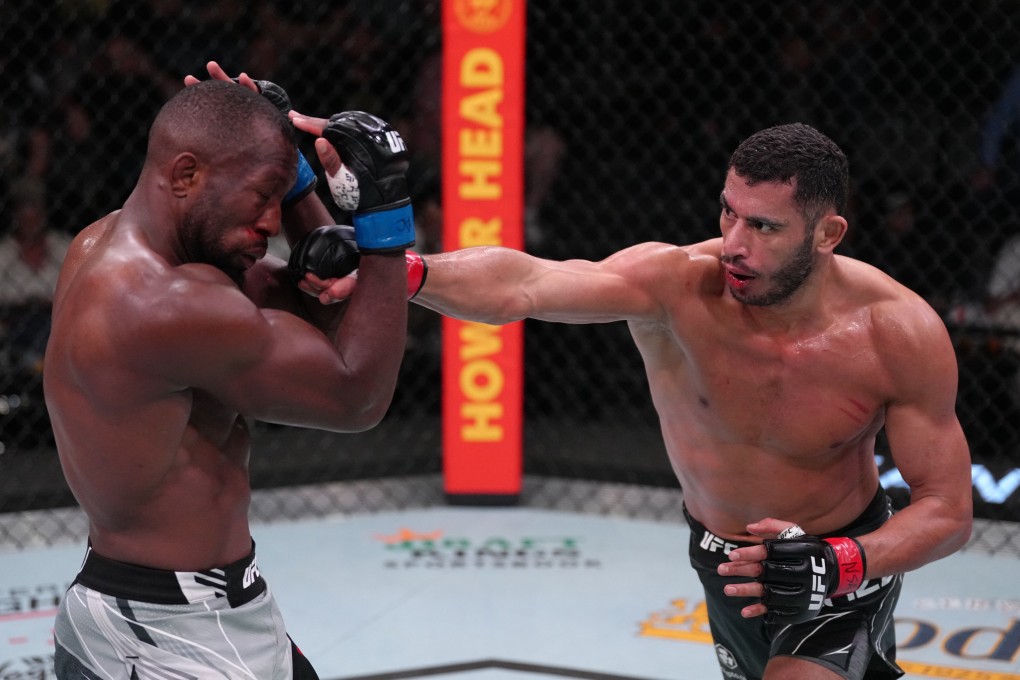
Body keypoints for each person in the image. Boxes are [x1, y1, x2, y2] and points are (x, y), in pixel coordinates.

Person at [290, 116, 973, 680]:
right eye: (729, 214)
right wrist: (401, 271)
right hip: (717, 558)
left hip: (836, 563)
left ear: (827, 236)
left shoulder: (895, 334)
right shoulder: (677, 286)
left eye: (764, 228)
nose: (735, 244)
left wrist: (843, 562)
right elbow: (524, 285)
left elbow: (949, 510)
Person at [44, 66, 415, 678]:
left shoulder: (106, 244)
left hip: (190, 603)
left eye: (278, 199)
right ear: (186, 175)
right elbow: (356, 394)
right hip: (169, 632)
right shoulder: (166, 307)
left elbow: (324, 291)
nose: (270, 223)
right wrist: (386, 221)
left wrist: (293, 177)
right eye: (260, 197)